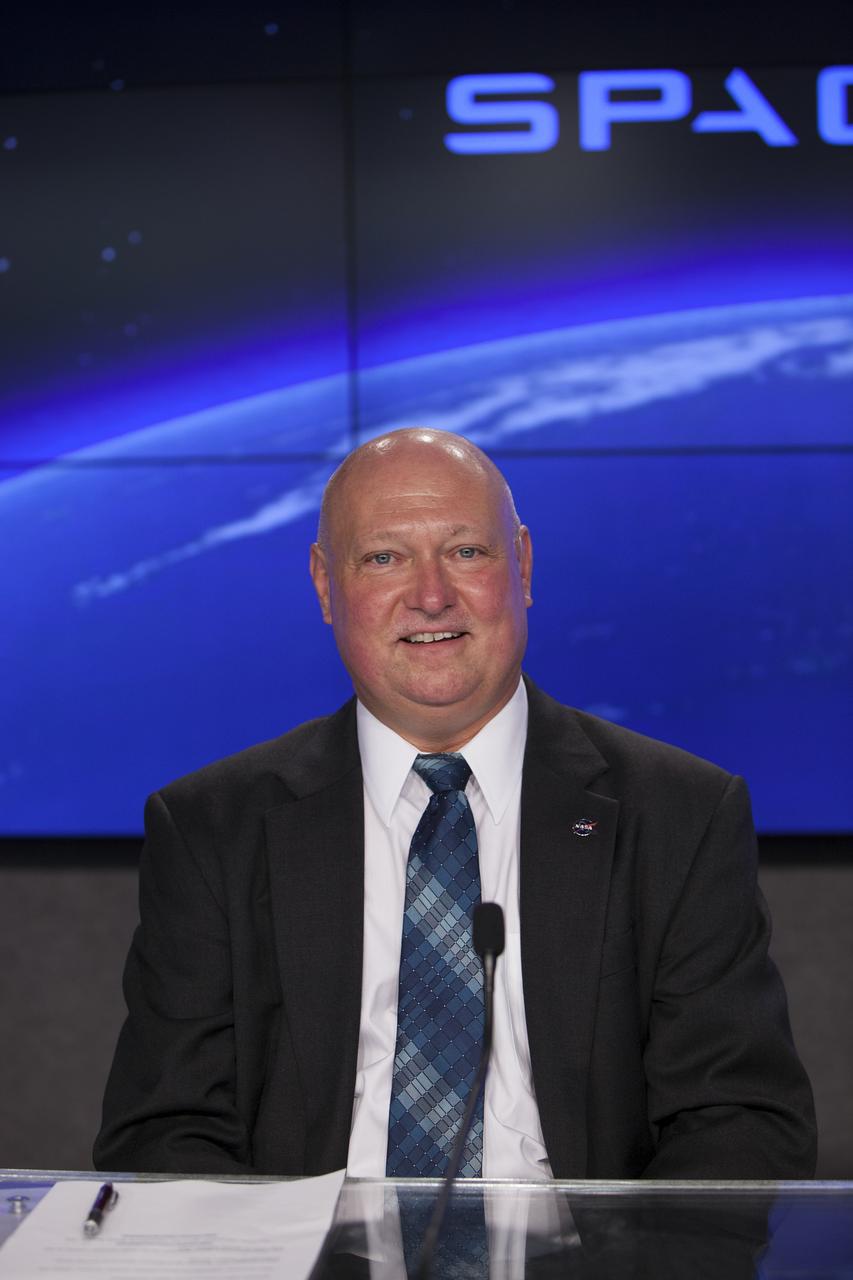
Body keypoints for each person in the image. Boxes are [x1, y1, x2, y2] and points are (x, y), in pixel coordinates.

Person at [94, 428, 816, 1179]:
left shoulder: (679, 815)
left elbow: (738, 1119)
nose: (431, 594)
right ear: (323, 585)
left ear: (523, 566)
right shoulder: (212, 828)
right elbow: (166, 1130)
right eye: (383, 557)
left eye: (466, 551)